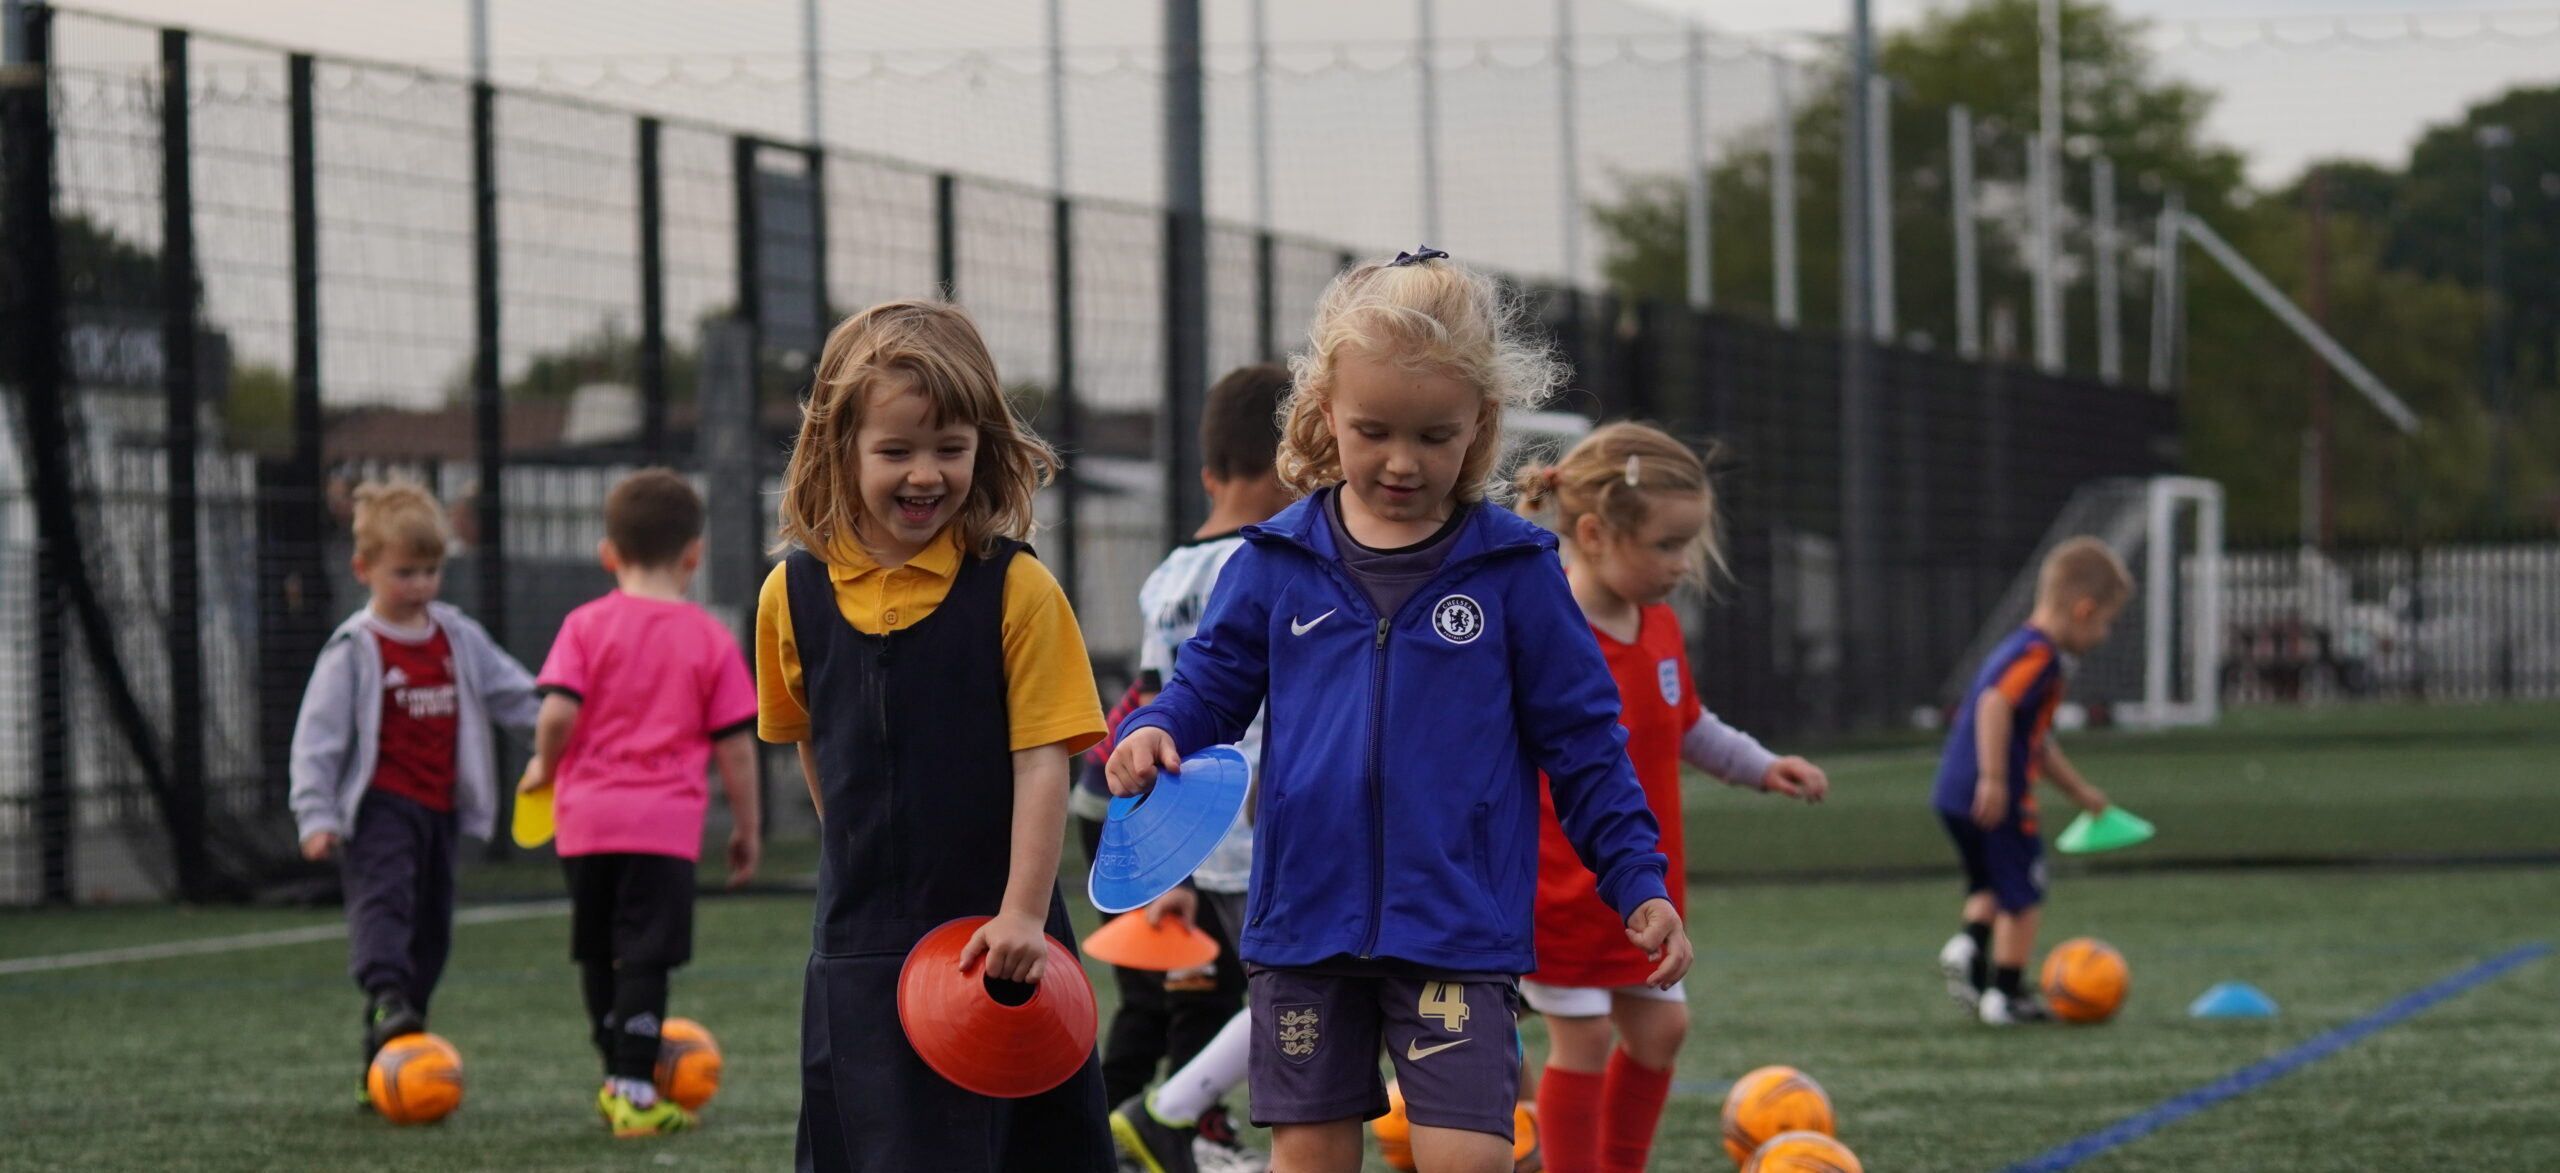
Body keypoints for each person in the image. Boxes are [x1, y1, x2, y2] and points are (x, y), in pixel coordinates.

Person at [1107, 249, 1693, 1173]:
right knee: (1311, 1158)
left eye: (1434, 434)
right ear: (1325, 414)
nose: (1402, 460)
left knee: (1469, 1157)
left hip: (1456, 928)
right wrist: (1154, 732)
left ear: (1481, 425)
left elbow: (1586, 745)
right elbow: (1207, 685)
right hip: (1303, 924)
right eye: (1373, 429)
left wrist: (1639, 881)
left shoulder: (1515, 572)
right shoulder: (1271, 559)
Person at [754, 299, 1116, 1173]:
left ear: (983, 449)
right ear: (840, 449)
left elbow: (1044, 762)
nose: (926, 474)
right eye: (896, 451)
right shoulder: (788, 597)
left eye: (950, 448)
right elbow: (812, 742)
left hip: (996, 938)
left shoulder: (1018, 591)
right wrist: (860, 859)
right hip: (859, 951)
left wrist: (1023, 913)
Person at [1508, 422, 1830, 1173]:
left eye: (1689, 543)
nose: (1683, 564)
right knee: (1582, 1040)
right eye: (1665, 545)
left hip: (1643, 889)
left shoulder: (1657, 625)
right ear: (1591, 532)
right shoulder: (1549, 634)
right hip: (1562, 887)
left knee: (1660, 1034)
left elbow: (1686, 720)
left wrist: (1758, 764)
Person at [517, 469, 762, 1136]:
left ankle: (616, 1077)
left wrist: (546, 763)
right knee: (647, 956)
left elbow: (558, 712)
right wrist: (747, 825)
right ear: (694, 555)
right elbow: (737, 747)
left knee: (598, 951)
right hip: (662, 828)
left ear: (609, 553)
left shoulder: (584, 624)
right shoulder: (709, 637)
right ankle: (634, 1090)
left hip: (586, 822)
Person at [288, 482, 539, 1107]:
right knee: (386, 907)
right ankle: (387, 1000)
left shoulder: (455, 635)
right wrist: (315, 814)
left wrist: (562, 720)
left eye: (432, 571)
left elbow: (514, 692)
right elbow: (315, 739)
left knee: (431, 929)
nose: (421, 585)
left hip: (440, 812)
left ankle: (390, 1049)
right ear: (364, 569)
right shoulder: (355, 649)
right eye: (405, 573)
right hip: (380, 810)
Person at [1104, 363, 1295, 1173]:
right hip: (1265, 821)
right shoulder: (1264, 564)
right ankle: (1168, 1112)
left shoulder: (1167, 576)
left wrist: (1163, 857)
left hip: (1200, 829)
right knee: (1301, 992)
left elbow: (1150, 707)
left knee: (1281, 992)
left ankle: (1188, 1118)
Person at [1932, 537, 2130, 1025]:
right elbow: (1995, 703)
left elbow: (2036, 743)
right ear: (2084, 610)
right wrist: (1997, 780)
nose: (2105, 635)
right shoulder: (2041, 657)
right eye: (2107, 621)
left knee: (1992, 883)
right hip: (1995, 797)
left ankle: (1969, 946)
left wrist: (2080, 792)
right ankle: (2006, 994)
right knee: (2026, 893)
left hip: (1952, 793)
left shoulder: (2017, 646)